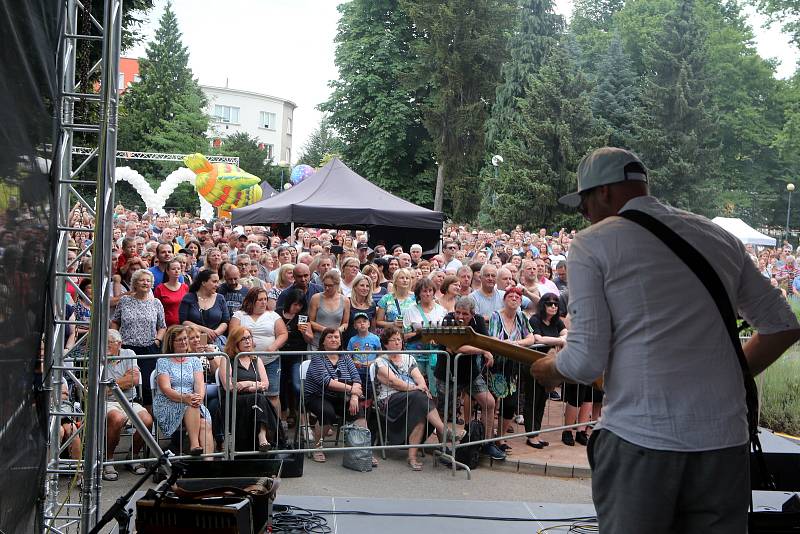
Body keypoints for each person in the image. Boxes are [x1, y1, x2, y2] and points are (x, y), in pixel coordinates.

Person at [531, 147, 800, 534]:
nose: (585, 215)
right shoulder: (718, 236)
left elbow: (586, 360)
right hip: (724, 442)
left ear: (604, 191)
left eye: (584, 203)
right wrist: (732, 374)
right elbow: (782, 325)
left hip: (643, 440)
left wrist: (550, 368)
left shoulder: (593, 243)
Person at [374, 326, 453, 471]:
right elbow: (394, 382)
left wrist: (422, 386)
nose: (398, 343)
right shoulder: (380, 362)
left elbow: (419, 377)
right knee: (419, 398)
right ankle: (444, 432)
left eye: (399, 339)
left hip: (413, 398)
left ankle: (412, 456)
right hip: (390, 400)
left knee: (419, 407)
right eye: (393, 340)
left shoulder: (408, 358)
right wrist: (416, 389)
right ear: (385, 343)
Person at [304, 328, 372, 465]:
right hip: (317, 395)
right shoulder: (317, 358)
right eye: (330, 337)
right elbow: (326, 382)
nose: (334, 339)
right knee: (327, 412)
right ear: (323, 341)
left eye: (336, 337)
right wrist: (352, 389)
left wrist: (354, 397)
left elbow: (356, 378)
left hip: (341, 396)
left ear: (341, 340)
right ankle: (318, 447)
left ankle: (363, 451)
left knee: (358, 411)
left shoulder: (345, 357)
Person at [152, 325, 214, 457]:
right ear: (171, 343)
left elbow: (199, 385)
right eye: (179, 340)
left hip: (192, 401)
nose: (184, 342)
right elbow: (166, 389)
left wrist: (199, 397)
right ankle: (194, 445)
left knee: (204, 424)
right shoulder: (163, 361)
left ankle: (209, 465)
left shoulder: (194, 361)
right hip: (168, 402)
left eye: (185, 338)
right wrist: (186, 398)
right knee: (190, 402)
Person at [487, 286, 536, 456]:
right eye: (510, 296)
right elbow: (491, 337)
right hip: (495, 365)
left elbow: (531, 337)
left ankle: (500, 438)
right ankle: (488, 439)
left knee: (509, 404)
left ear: (521, 301)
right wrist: (505, 344)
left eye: (517, 296)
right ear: (504, 299)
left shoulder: (522, 316)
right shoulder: (495, 315)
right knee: (492, 403)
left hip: (513, 366)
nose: (514, 298)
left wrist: (517, 344)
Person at [103, 329, 153, 481]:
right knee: (116, 418)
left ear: (119, 344)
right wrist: (124, 380)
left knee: (147, 420)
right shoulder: (99, 357)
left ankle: (133, 455)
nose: (104, 347)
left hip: (130, 401)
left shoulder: (129, 353)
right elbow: (101, 390)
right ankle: (108, 459)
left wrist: (111, 384)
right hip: (107, 402)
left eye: (108, 344)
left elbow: (134, 380)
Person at [111, 269, 166, 406]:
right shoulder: (124, 300)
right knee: (126, 383)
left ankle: (145, 423)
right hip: (126, 349)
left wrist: (157, 340)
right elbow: (115, 321)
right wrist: (114, 340)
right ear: (134, 283)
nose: (145, 283)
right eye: (142, 280)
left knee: (147, 387)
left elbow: (162, 326)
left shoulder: (156, 303)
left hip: (149, 349)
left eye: (148, 281)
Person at [219, 327, 279, 452]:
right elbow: (229, 386)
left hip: (256, 400)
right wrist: (252, 385)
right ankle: (262, 438)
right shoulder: (227, 359)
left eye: (249, 338)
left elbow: (265, 384)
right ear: (235, 342)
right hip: (235, 402)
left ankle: (262, 437)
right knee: (260, 398)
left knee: (259, 398)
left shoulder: (256, 359)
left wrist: (245, 385)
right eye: (243, 339)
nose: (247, 341)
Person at [229, 288, 287, 415]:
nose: (264, 302)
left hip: (270, 361)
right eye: (260, 300)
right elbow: (233, 334)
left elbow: (283, 333)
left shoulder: (273, 315)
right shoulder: (239, 315)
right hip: (246, 363)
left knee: (273, 394)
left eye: (265, 299)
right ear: (251, 301)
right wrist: (250, 343)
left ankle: (274, 428)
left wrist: (274, 346)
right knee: (250, 394)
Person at [403, 278, 447, 398]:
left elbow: (445, 333)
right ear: (418, 293)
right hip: (415, 353)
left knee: (436, 388)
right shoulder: (409, 311)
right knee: (416, 387)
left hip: (435, 353)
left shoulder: (442, 311)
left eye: (429, 291)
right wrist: (422, 333)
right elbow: (405, 336)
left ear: (433, 292)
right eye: (424, 291)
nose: (427, 294)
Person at [179, 269, 230, 349]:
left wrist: (214, 333)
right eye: (214, 282)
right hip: (194, 341)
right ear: (203, 283)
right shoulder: (189, 298)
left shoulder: (220, 298)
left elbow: (225, 321)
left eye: (218, 282)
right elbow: (183, 321)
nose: (217, 285)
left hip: (216, 342)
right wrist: (205, 330)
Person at [308, 270, 350, 349]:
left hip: (335, 344)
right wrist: (325, 330)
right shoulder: (316, 298)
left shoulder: (345, 301)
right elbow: (311, 321)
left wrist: (338, 330)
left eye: (330, 285)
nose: (327, 288)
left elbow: (345, 323)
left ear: (337, 285)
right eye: (325, 285)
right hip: (317, 343)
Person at [346, 312, 381, 384]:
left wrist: (372, 362)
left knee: (371, 389)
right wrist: (353, 362)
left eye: (364, 321)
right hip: (356, 371)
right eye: (359, 322)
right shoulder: (352, 340)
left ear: (369, 324)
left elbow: (380, 356)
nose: (362, 324)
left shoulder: (375, 338)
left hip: (371, 370)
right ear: (355, 326)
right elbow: (348, 357)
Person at [342, 273, 376, 348]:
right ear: (355, 287)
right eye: (362, 285)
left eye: (367, 286)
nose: (365, 288)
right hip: (348, 343)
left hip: (366, 345)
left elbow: (373, 328)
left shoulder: (372, 304)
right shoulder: (347, 302)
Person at [154, 259, 189, 326]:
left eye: (178, 269)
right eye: (173, 269)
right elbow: (156, 310)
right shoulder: (160, 288)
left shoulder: (185, 287)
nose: (176, 271)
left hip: (183, 325)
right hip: (167, 326)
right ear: (167, 271)